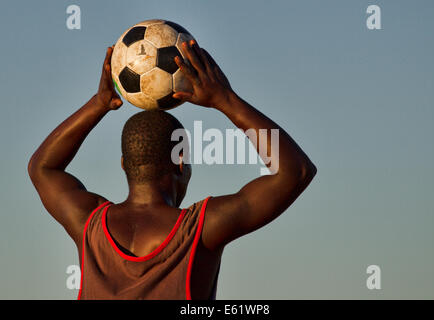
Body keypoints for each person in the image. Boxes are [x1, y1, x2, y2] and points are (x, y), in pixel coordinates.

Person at [28, 39, 317, 300]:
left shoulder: (89, 223)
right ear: (180, 161)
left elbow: (43, 167)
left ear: (123, 164)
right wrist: (225, 100)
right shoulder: (202, 228)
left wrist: (99, 103)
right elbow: (296, 171)